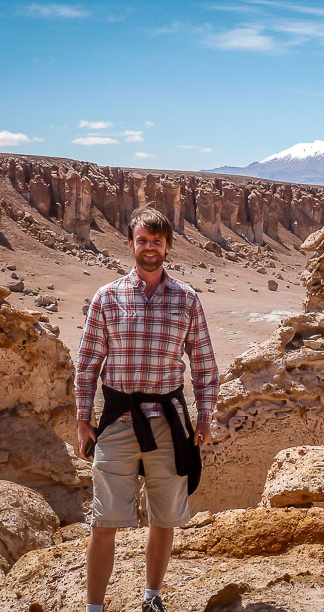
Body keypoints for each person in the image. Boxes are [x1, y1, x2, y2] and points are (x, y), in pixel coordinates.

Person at [75, 205, 218, 612]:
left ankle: (152, 596)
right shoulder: (108, 297)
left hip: (169, 425)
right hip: (117, 422)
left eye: (157, 241)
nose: (149, 248)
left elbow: (204, 366)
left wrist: (204, 418)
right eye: (142, 240)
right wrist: (83, 420)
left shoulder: (186, 299)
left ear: (168, 246)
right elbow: (87, 365)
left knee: (164, 517)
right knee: (104, 521)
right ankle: (94, 608)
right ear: (131, 245)